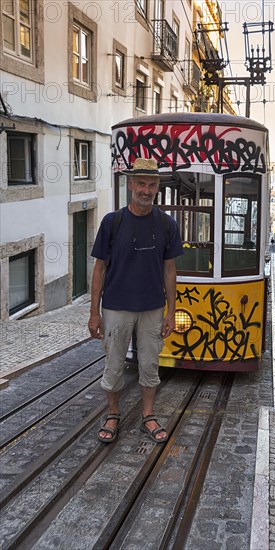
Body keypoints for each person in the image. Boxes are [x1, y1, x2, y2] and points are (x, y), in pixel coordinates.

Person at [88, 158, 184, 444]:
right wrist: (94, 313)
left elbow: (170, 269)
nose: (146, 189)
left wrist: (172, 312)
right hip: (116, 307)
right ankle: (113, 413)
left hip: (153, 308)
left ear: (157, 187)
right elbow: (99, 268)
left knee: (150, 364)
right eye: (141, 183)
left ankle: (148, 414)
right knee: (114, 363)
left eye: (152, 184)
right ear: (131, 184)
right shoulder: (112, 222)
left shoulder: (167, 224)